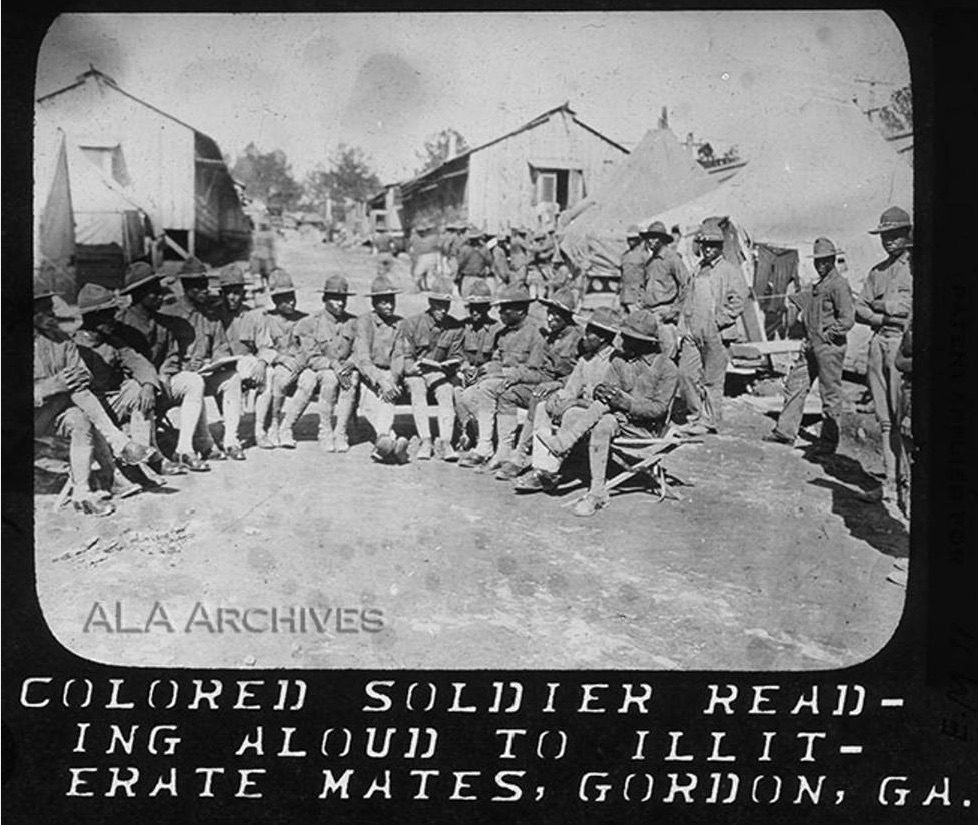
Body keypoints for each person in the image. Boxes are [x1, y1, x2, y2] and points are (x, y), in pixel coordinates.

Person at [527, 310, 679, 517]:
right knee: (579, 413)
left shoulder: (667, 368)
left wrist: (627, 404)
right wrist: (602, 391)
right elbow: (608, 390)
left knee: (604, 422)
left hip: (643, 428)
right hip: (617, 419)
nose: (621, 340)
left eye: (628, 337)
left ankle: (595, 490)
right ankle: (572, 463)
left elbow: (659, 409)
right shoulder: (620, 361)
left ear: (643, 342)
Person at [34, 282, 152, 516]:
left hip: (57, 413)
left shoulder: (62, 340)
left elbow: (80, 378)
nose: (51, 315)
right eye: (43, 310)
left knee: (80, 417)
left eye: (51, 308)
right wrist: (50, 387)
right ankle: (119, 445)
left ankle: (82, 494)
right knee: (71, 392)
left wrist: (78, 378)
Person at [763, 237, 855, 458]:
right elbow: (807, 303)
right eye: (818, 261)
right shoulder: (819, 285)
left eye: (825, 260)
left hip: (828, 348)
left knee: (829, 394)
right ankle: (785, 432)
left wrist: (828, 335)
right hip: (811, 346)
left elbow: (847, 319)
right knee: (795, 383)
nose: (821, 264)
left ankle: (828, 443)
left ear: (833, 259)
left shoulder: (839, 285)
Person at [114, 262, 210, 472]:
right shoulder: (120, 324)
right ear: (139, 295)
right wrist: (148, 382)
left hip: (161, 383)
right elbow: (121, 363)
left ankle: (184, 449)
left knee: (193, 381)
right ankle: (154, 458)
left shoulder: (162, 323)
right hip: (133, 388)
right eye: (154, 293)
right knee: (141, 392)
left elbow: (171, 355)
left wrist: (165, 374)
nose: (160, 297)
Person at [514, 306, 621, 492]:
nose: (584, 338)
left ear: (602, 338)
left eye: (589, 334)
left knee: (572, 412)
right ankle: (541, 468)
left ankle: (550, 470)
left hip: (601, 414)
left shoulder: (616, 362)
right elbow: (571, 390)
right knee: (542, 407)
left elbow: (609, 403)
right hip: (581, 408)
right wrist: (557, 397)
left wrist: (575, 402)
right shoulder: (585, 360)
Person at [73, 283, 165, 492]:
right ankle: (121, 471)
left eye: (113, 313)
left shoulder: (113, 342)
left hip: (113, 403)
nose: (113, 319)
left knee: (136, 387)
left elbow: (139, 363)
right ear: (91, 318)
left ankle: (141, 457)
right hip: (90, 408)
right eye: (107, 315)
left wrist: (148, 385)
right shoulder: (74, 346)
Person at [159, 257, 247, 461]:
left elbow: (221, 347)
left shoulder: (210, 315)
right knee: (194, 382)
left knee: (232, 378)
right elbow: (163, 353)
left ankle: (231, 440)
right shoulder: (170, 314)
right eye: (198, 287)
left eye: (205, 285)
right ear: (186, 287)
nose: (205, 291)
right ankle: (203, 443)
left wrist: (214, 362)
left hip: (204, 372)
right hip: (177, 378)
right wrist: (183, 366)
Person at [854, 206, 913, 505]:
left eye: (895, 234)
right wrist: (884, 315)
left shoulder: (915, 268)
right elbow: (860, 308)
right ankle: (890, 482)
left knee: (905, 420)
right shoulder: (877, 272)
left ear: (907, 234)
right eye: (884, 235)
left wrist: (883, 306)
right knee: (885, 419)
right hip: (879, 342)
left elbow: (909, 309)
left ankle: (908, 488)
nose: (889, 240)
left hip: (904, 346)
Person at [493, 287, 584, 479]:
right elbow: (543, 372)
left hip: (572, 392)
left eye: (556, 315)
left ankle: (520, 455)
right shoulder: (550, 338)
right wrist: (518, 377)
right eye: (549, 313)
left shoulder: (579, 339)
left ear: (567, 316)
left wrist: (556, 384)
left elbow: (583, 375)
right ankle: (504, 450)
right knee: (508, 393)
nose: (550, 318)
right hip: (549, 387)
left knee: (537, 399)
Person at [457, 284, 547, 468]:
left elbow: (537, 372)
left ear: (520, 310)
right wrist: (484, 370)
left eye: (505, 309)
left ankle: (492, 447)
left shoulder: (536, 335)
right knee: (468, 394)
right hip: (504, 382)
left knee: (487, 388)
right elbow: (497, 360)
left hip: (525, 385)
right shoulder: (503, 334)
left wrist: (504, 374)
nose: (500, 313)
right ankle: (487, 440)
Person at [675, 219, 747, 435]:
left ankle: (709, 421)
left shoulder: (730, 270)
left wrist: (719, 320)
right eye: (705, 245)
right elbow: (688, 299)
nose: (707, 249)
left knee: (712, 380)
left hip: (716, 333)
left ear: (720, 247)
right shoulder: (698, 269)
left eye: (712, 245)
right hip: (692, 331)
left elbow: (739, 299)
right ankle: (695, 415)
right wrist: (683, 329)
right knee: (686, 374)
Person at [277, 273, 358, 452]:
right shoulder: (310, 323)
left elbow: (360, 349)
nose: (340, 303)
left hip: (344, 370)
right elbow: (310, 357)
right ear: (324, 299)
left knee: (352, 378)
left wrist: (351, 362)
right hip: (316, 369)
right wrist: (334, 365)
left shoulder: (353, 322)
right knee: (329, 378)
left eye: (343, 299)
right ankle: (324, 431)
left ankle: (340, 432)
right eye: (335, 299)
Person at [398, 277, 462, 461]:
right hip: (415, 373)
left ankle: (445, 442)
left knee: (446, 390)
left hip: (438, 373)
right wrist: (411, 368)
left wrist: (451, 366)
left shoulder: (454, 327)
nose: (443, 310)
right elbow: (405, 355)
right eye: (439, 305)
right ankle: (425, 440)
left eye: (446, 305)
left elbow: (456, 355)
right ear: (430, 302)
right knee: (417, 390)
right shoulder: (412, 323)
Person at [352, 273, 409, 464]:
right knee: (370, 399)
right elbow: (362, 358)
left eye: (392, 301)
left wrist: (393, 378)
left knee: (388, 395)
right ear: (374, 304)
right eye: (384, 302)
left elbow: (399, 354)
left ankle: (384, 441)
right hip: (368, 373)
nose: (389, 306)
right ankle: (391, 438)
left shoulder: (399, 323)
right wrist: (380, 380)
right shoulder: (364, 322)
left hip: (389, 374)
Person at [216, 263, 269, 448]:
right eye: (228, 292)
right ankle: (229, 430)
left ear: (244, 293)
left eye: (237, 292)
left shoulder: (253, 316)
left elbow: (265, 345)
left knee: (269, 375)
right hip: (220, 365)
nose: (232, 297)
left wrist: (262, 362)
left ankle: (259, 430)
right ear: (221, 293)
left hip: (246, 364)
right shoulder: (213, 316)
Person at [253, 269, 308, 449]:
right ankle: (274, 424)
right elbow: (263, 347)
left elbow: (309, 346)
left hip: (300, 365)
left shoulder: (303, 319)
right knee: (279, 377)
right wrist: (281, 359)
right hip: (277, 365)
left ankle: (287, 426)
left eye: (293, 297)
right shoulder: (266, 319)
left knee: (309, 381)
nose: (292, 302)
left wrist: (300, 361)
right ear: (275, 301)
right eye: (285, 299)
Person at [451, 280, 501, 456]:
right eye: (472, 308)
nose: (474, 312)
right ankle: (466, 429)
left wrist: (483, 371)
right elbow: (456, 351)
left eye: (479, 308)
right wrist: (464, 366)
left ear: (488, 308)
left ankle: (480, 434)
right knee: (457, 390)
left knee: (481, 393)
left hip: (486, 375)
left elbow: (498, 357)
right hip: (464, 373)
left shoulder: (497, 329)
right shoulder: (462, 327)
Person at [637, 220, 690, 359]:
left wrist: (674, 311)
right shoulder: (650, 262)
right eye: (649, 238)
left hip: (664, 313)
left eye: (655, 237)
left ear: (662, 240)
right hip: (649, 312)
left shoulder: (672, 259)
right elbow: (643, 286)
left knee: (667, 354)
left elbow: (687, 285)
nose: (650, 241)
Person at [456, 226, 494, 299]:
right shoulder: (484, 249)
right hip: (480, 278)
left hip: (467, 278)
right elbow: (490, 262)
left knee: (467, 300)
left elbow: (460, 264)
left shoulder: (464, 249)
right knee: (480, 300)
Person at [618, 224, 647, 314]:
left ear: (639, 239)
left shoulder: (644, 255)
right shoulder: (624, 256)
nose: (630, 241)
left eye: (633, 238)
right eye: (629, 238)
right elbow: (622, 275)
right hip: (624, 294)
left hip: (637, 295)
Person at [409, 222, 441, 292]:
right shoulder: (434, 237)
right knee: (427, 274)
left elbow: (410, 246)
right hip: (427, 256)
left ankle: (420, 287)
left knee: (419, 274)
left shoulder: (415, 237)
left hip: (422, 256)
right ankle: (425, 287)